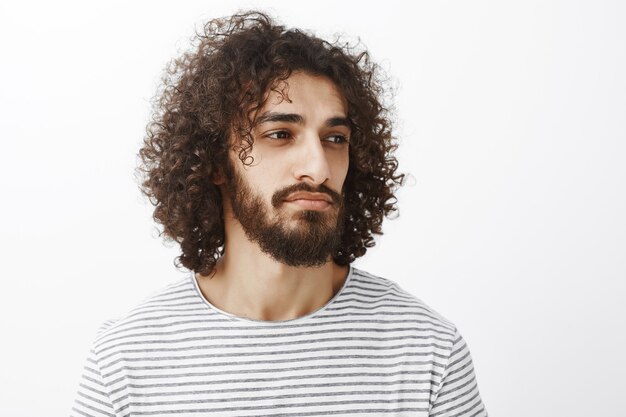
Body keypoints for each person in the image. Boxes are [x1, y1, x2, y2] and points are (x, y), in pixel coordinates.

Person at [71, 10, 488, 417]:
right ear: (215, 161)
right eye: (280, 134)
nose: (319, 167)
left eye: (335, 138)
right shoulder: (125, 364)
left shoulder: (428, 353)